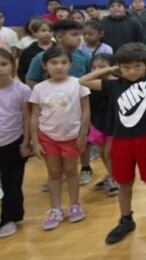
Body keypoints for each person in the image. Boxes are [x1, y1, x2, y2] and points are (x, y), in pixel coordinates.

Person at [79, 43, 146, 243]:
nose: (131, 71)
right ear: (120, 68)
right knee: (124, 182)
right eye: (126, 67)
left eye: (137, 66)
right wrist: (111, 68)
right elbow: (82, 80)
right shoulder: (114, 84)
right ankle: (126, 220)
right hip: (121, 140)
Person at [25, 20, 94, 186]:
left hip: (79, 105)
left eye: (81, 35)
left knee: (82, 139)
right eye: (75, 35)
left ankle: (85, 167)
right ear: (60, 37)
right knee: (53, 154)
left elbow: (91, 79)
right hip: (53, 109)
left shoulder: (84, 56)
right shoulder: (41, 58)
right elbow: (30, 79)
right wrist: (49, 95)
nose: (80, 39)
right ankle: (54, 176)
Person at [29, 46, 91, 230]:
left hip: (72, 136)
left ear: (70, 64)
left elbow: (86, 110)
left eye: (64, 62)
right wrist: (35, 140)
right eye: (54, 63)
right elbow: (34, 116)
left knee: (72, 171)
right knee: (54, 174)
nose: (59, 67)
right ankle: (55, 209)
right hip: (48, 137)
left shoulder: (79, 83)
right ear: (45, 65)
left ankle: (74, 204)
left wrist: (83, 133)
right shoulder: (39, 88)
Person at [0, 49, 32, 238]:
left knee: (12, 183)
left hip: (13, 143)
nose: (0, 69)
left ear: (12, 65)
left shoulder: (22, 90)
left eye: (4, 64)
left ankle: (9, 218)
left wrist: (25, 143)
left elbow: (27, 118)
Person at [84, 54, 119, 197]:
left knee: (110, 154)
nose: (97, 70)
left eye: (102, 67)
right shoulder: (89, 85)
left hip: (113, 124)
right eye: (94, 67)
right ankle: (111, 175)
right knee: (102, 153)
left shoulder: (116, 83)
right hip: (97, 123)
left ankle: (115, 179)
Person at [17, 19, 53, 84]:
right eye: (43, 30)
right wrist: (30, 84)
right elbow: (21, 71)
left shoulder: (60, 48)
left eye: (50, 31)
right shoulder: (28, 51)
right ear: (34, 33)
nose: (47, 33)